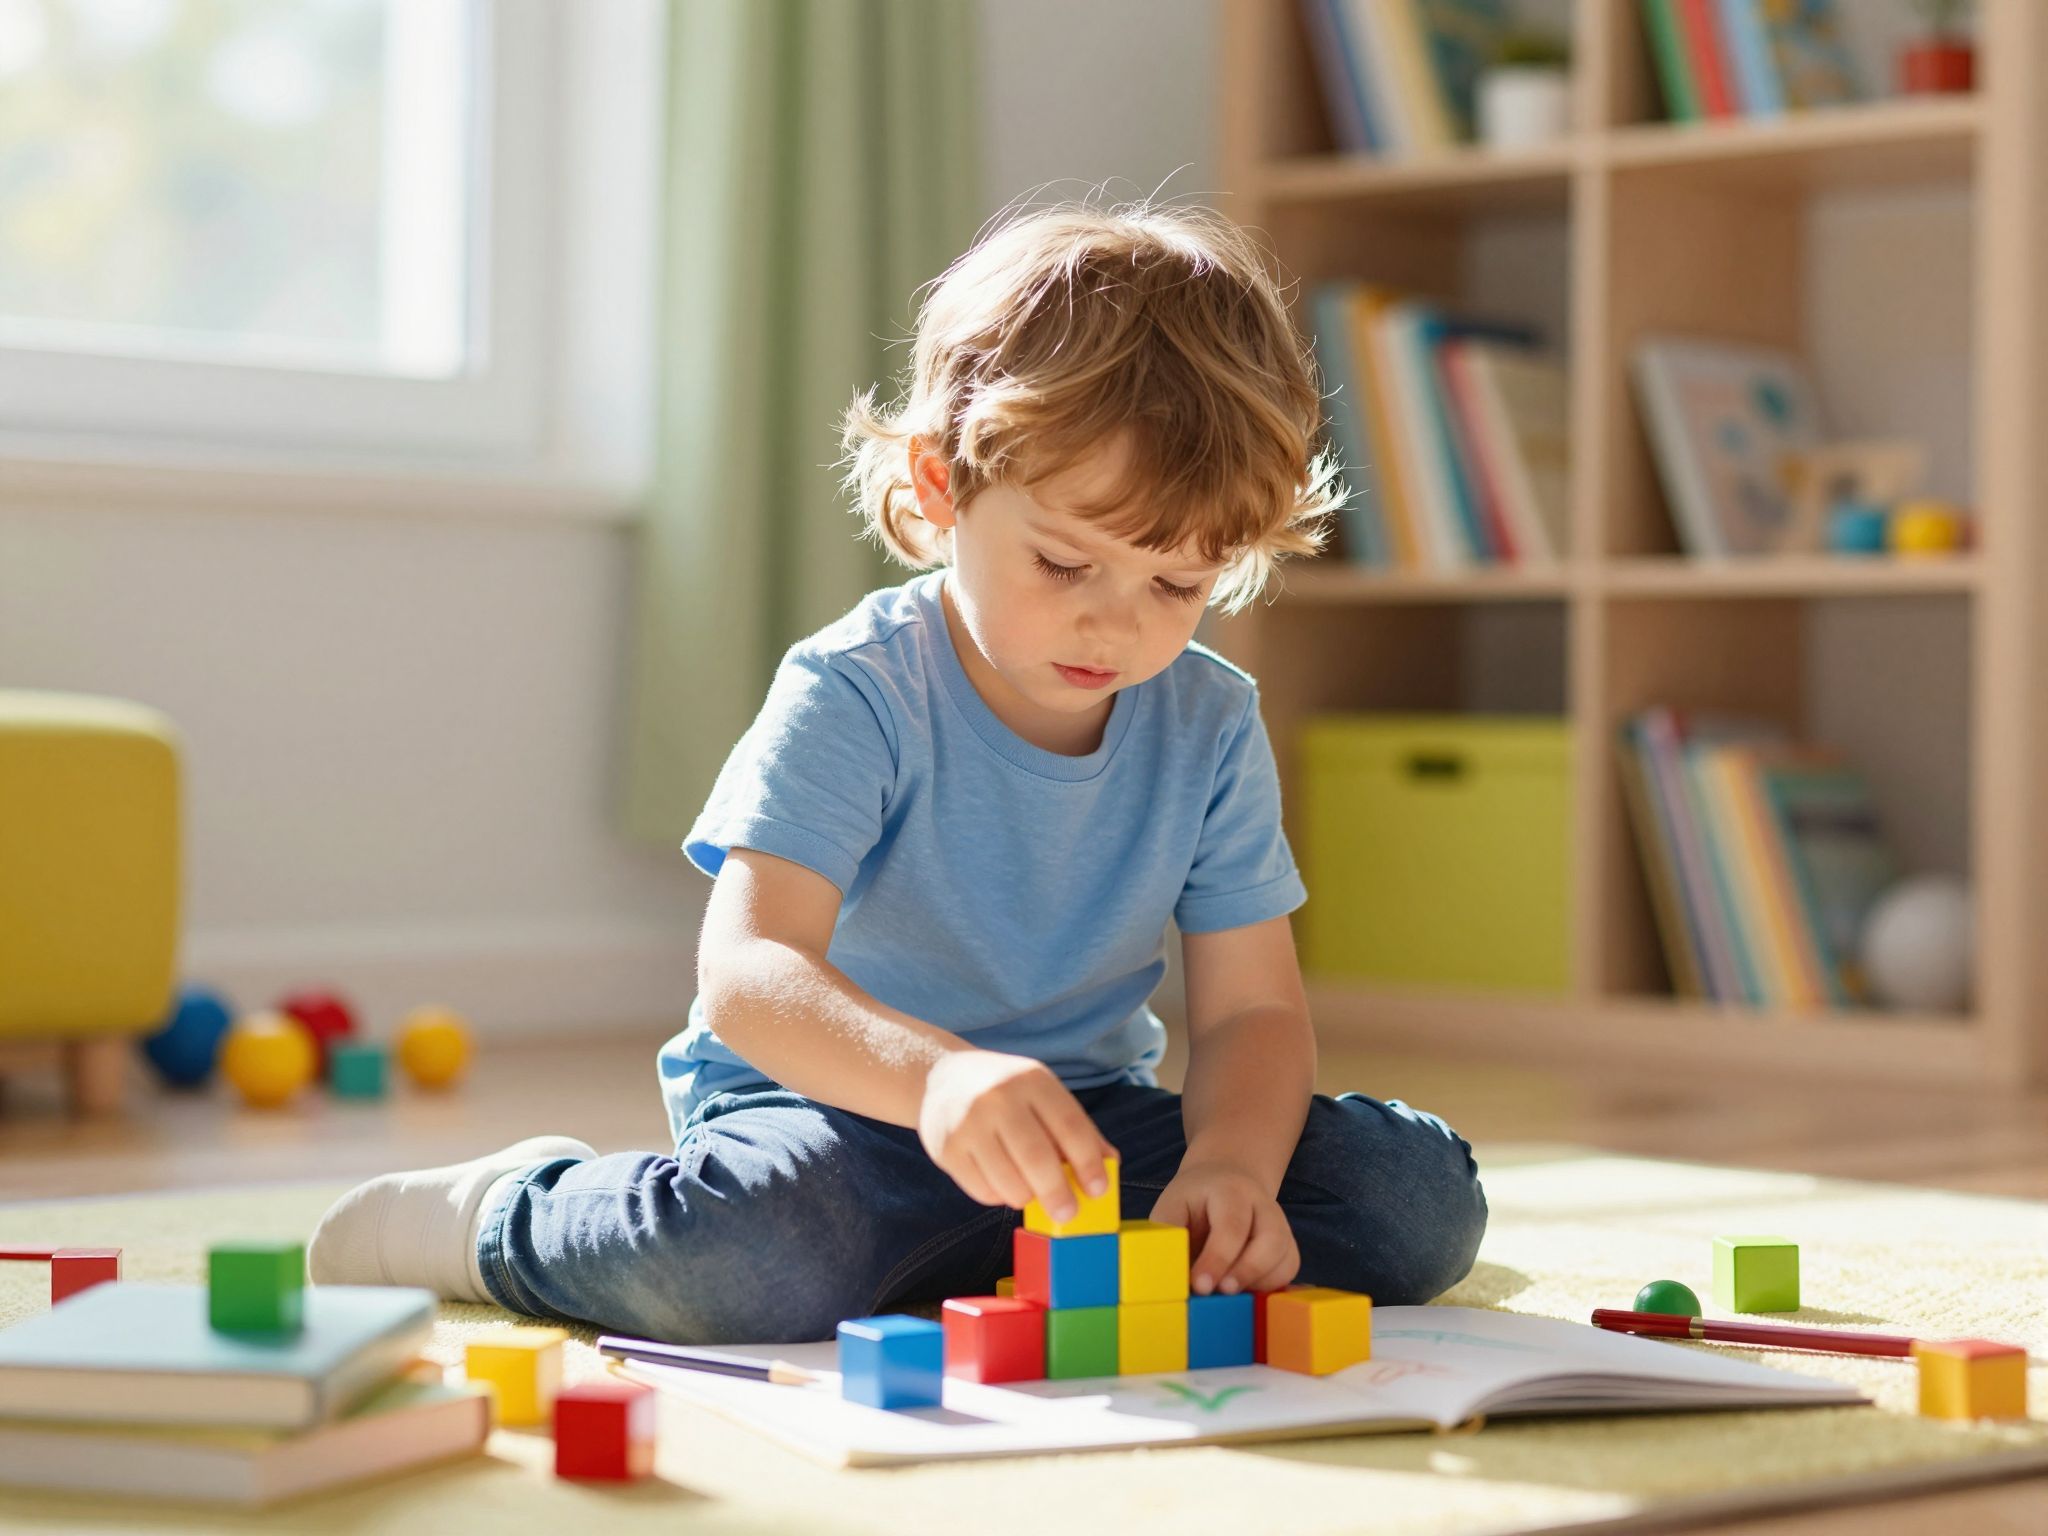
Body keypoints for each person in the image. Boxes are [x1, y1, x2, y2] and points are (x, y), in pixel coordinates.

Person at [308, 199, 1487, 1342]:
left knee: (1410, 1198)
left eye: (1176, 585)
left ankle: (1001, 1267)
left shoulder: (1209, 724)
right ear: (941, 487)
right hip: (843, 1124)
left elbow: (1256, 1012)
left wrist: (1230, 1167)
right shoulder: (857, 687)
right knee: (753, 1260)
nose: (1115, 629)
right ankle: (508, 1212)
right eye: (1065, 563)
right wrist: (936, 1082)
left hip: (1077, 1136)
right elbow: (751, 973)